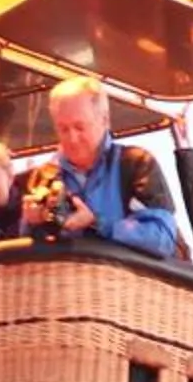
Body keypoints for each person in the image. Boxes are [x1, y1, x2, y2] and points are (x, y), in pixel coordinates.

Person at [21, 79, 180, 258]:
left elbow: (162, 238)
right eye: (63, 129)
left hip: (126, 282)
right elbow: (25, 251)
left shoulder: (135, 164)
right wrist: (32, 221)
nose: (72, 138)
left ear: (104, 120)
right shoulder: (44, 176)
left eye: (80, 127)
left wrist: (96, 223)